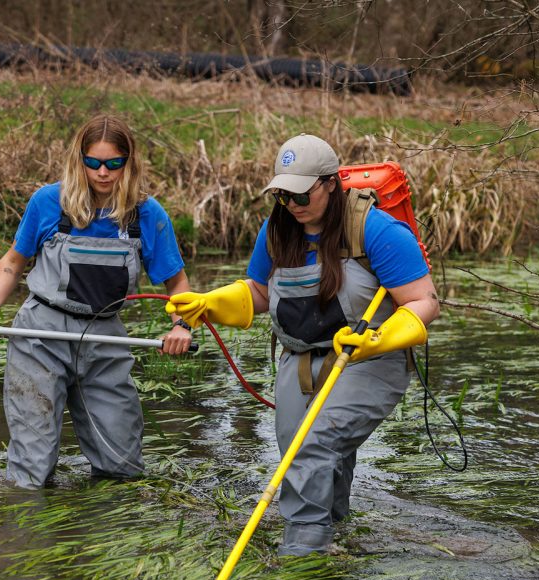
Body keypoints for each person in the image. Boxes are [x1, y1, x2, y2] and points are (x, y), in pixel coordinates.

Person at [168, 134, 439, 555]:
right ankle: (337, 534)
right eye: (282, 195)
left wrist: (379, 339)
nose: (292, 205)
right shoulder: (278, 230)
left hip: (368, 360)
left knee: (313, 446)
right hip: (299, 360)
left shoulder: (378, 229)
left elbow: (425, 302)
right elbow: (259, 292)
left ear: (330, 183)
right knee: (304, 452)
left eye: (301, 193)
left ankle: (302, 550)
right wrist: (211, 304)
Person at [0, 114, 193, 489]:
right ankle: (30, 534)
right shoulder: (49, 202)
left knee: (123, 467)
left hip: (105, 338)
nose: (102, 173)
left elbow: (177, 283)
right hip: (41, 336)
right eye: (93, 162)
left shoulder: (147, 214)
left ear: (128, 163)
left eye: (114, 164)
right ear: (78, 159)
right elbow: (13, 264)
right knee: (32, 468)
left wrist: (182, 325)